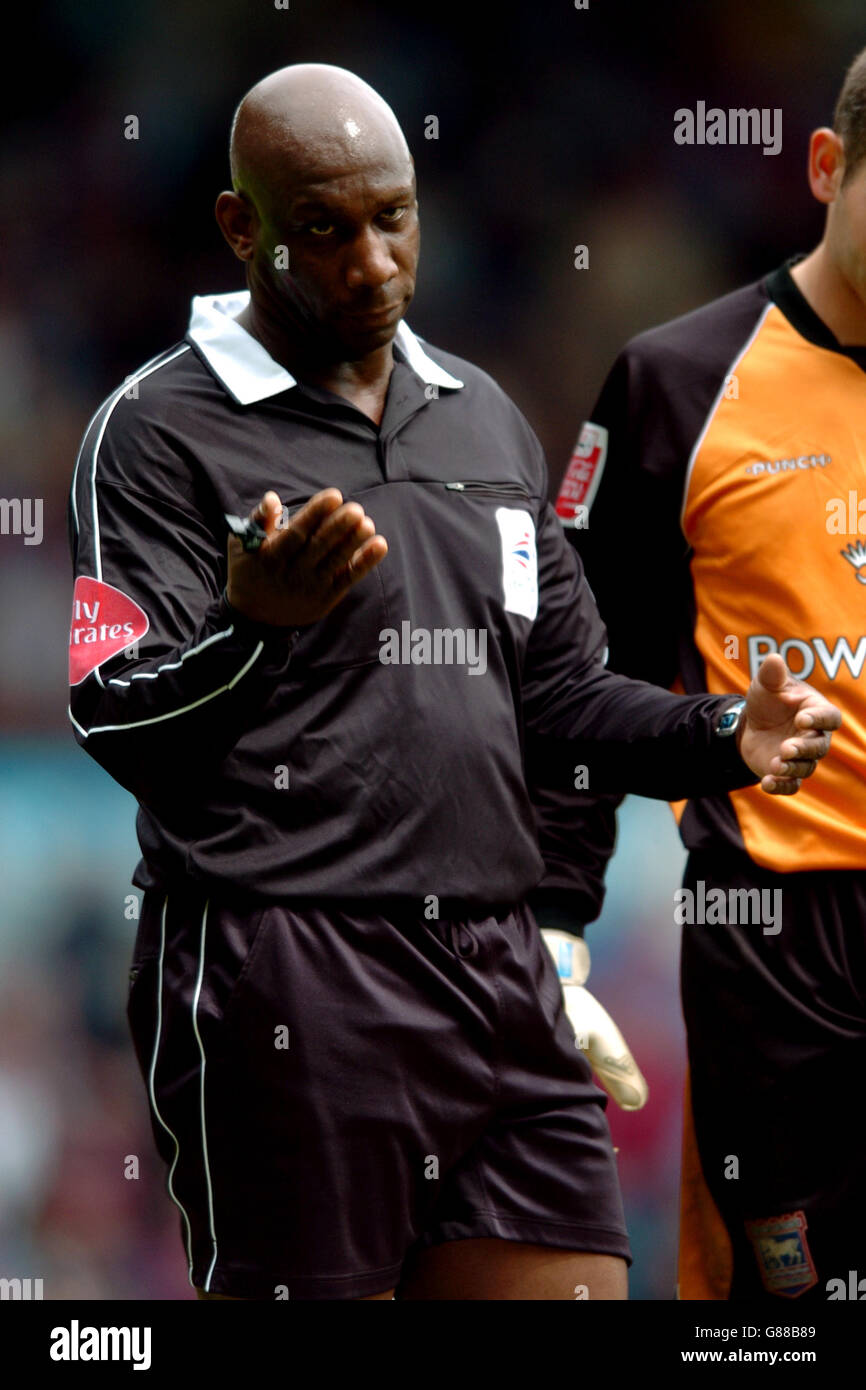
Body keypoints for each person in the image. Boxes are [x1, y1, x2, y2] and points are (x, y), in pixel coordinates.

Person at [68, 63, 839, 1301]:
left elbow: (566, 702)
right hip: (286, 976)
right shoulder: (160, 429)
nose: (371, 261)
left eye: (392, 217)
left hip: (497, 976)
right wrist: (254, 630)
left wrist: (719, 734)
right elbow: (113, 712)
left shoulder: (478, 416)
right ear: (240, 226)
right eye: (322, 229)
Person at [555, 49, 866, 1303]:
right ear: (826, 167)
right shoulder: (674, 385)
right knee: (772, 1311)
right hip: (775, 939)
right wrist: (552, 921)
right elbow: (565, 678)